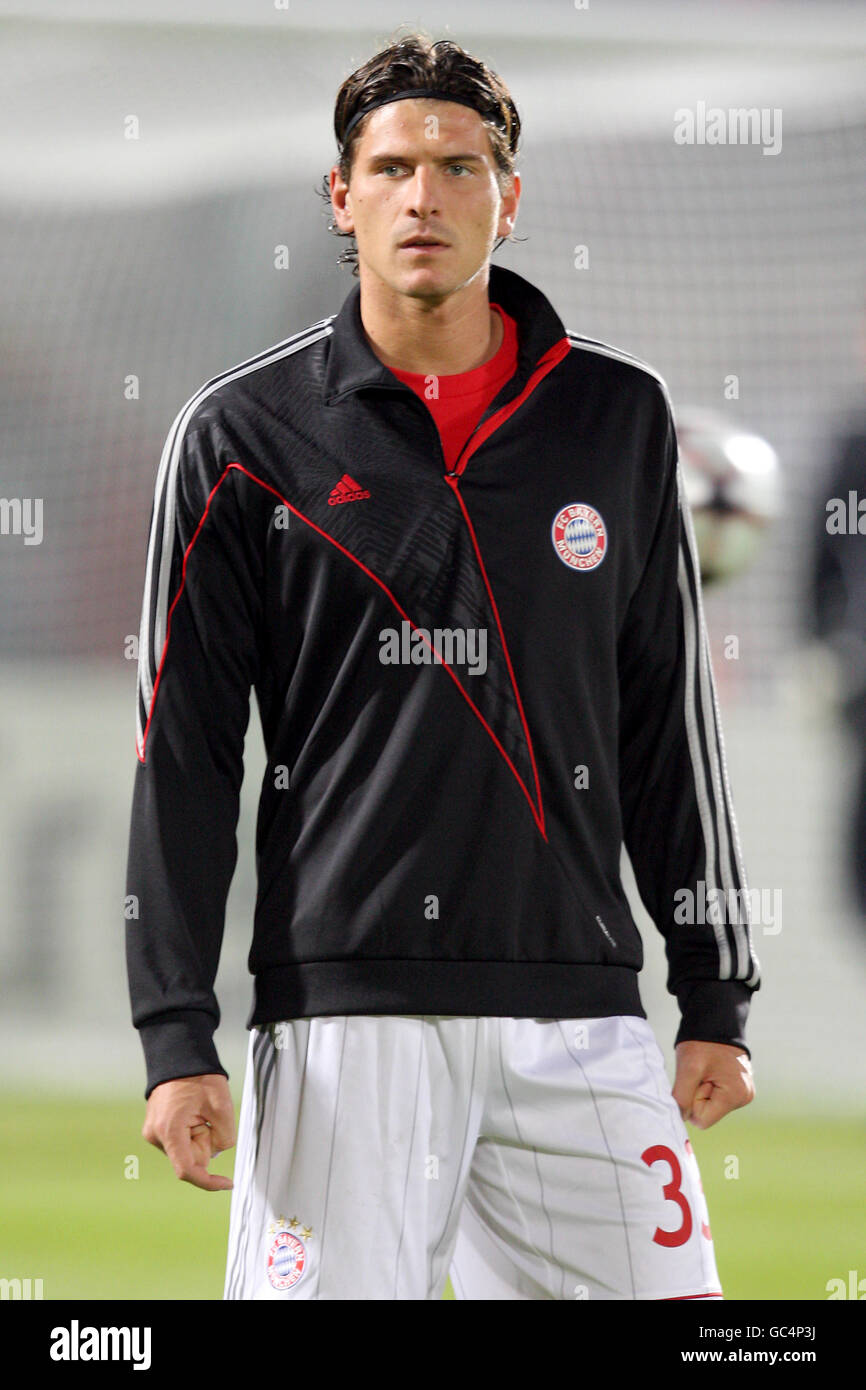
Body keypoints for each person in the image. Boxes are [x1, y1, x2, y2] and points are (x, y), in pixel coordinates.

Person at [126, 31, 758, 1301]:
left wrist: (712, 990)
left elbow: (663, 724)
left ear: (508, 199)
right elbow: (184, 751)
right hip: (341, 1019)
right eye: (394, 167)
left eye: (460, 168)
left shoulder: (616, 417)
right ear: (341, 194)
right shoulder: (240, 437)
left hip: (580, 1016)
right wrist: (173, 1030)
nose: (425, 196)